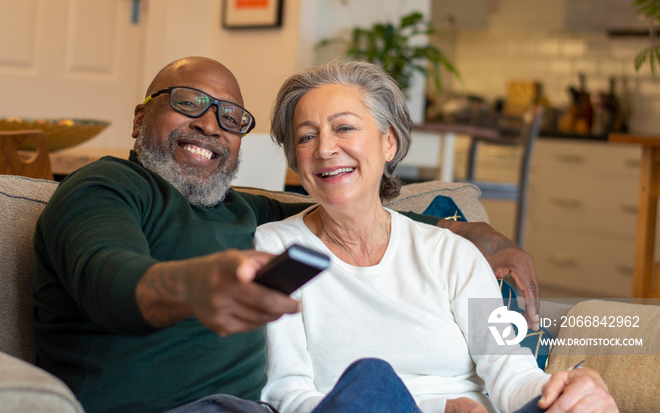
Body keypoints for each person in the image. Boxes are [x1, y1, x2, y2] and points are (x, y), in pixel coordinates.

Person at [33, 56, 541, 413]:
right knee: (371, 385)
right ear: (142, 115)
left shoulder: (244, 212)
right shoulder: (106, 187)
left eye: (231, 117)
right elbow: (108, 281)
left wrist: (475, 233)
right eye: (188, 102)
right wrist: (192, 286)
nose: (211, 124)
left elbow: (349, 208)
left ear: (389, 142)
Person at [254, 60, 618, 413]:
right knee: (372, 378)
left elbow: (512, 373)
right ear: (295, 159)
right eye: (306, 136)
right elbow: (288, 395)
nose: (325, 149)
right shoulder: (276, 248)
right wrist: (434, 408)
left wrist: (563, 389)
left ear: (389, 143)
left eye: (344, 128)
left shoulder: (451, 253)